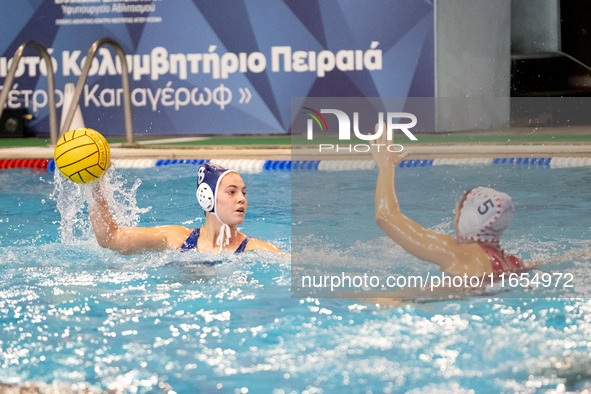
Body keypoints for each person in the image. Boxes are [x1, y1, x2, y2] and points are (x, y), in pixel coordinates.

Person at [370, 128, 530, 279]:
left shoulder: (458, 253)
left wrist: (386, 166)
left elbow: (385, 216)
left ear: (468, 220)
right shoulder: (514, 263)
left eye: (457, 214)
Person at [88, 162, 281, 255]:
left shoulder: (256, 249)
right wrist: (95, 185)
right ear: (207, 197)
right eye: (232, 192)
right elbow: (110, 238)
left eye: (244, 193)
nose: (241, 199)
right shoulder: (175, 238)